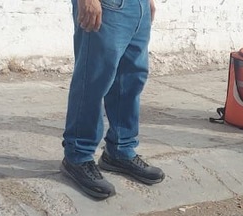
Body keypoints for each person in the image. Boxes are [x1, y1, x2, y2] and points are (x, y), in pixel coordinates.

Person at [60, 0, 165, 201]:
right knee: (93, 79)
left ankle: (120, 150)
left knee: (131, 79)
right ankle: (77, 156)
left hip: (138, 6)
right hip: (107, 5)